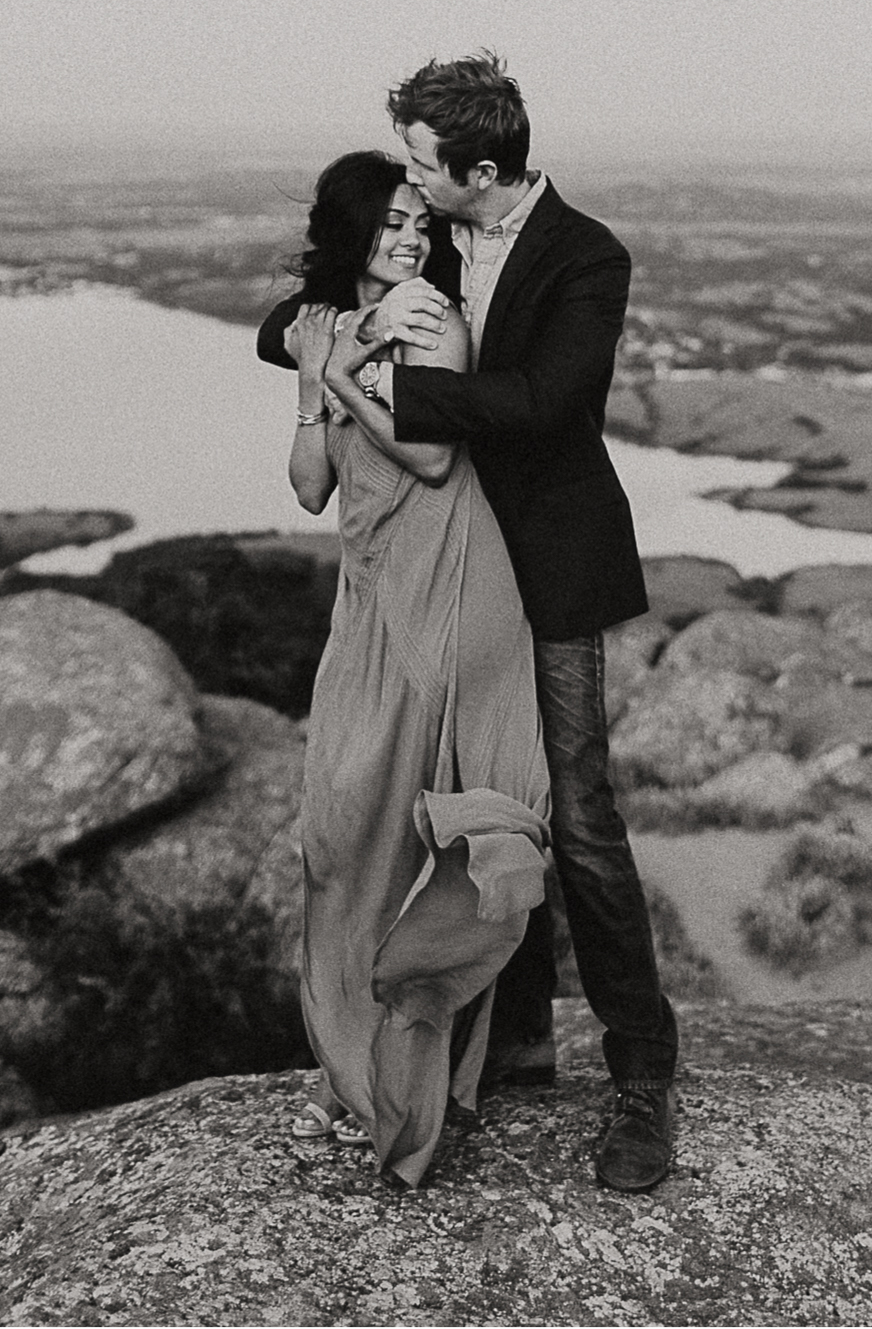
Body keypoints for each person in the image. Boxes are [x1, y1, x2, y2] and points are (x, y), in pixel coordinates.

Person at [258, 53, 679, 1194]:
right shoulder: (432, 235)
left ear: (477, 168)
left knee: (577, 817)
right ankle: (518, 1042)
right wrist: (330, 333)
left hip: (551, 567)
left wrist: (355, 375)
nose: (408, 182)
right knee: (466, 793)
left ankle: (644, 1074)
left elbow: (543, 405)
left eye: (418, 162)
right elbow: (301, 304)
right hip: (443, 566)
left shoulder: (588, 256)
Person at [278, 150, 552, 1189]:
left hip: (446, 582)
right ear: (351, 232)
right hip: (370, 592)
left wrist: (339, 373)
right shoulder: (335, 327)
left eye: (413, 222)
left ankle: (411, 1091)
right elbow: (310, 486)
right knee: (339, 829)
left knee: (415, 832)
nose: (406, 237)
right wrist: (314, 386)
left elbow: (435, 455)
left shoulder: (431, 317)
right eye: (388, 224)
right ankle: (360, 1068)